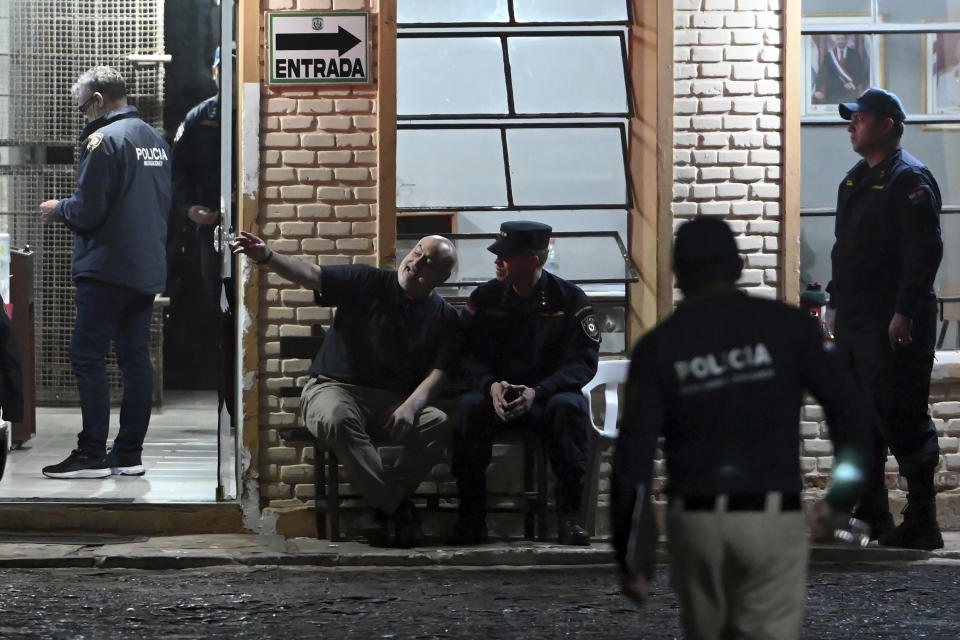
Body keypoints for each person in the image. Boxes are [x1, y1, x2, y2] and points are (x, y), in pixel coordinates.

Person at [611, 217, 871, 640]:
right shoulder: (789, 328)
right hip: (771, 520)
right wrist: (839, 500)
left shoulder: (659, 347)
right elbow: (852, 417)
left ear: (677, 273)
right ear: (739, 265)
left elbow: (632, 462)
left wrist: (633, 559)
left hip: (695, 525)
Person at [232, 231, 458, 547]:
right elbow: (312, 274)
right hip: (332, 389)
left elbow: (439, 372)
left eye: (429, 261)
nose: (416, 262)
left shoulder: (445, 316)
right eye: (417, 252)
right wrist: (268, 257)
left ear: (443, 276)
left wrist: (411, 406)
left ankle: (382, 508)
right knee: (337, 417)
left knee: (437, 422)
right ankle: (398, 508)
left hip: (391, 402)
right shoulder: (368, 280)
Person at [827, 87, 945, 550]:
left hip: (894, 321)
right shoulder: (855, 180)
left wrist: (905, 312)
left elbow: (925, 251)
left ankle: (921, 522)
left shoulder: (909, 179)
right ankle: (873, 515)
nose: (850, 125)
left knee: (902, 415)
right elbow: (844, 250)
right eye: (850, 119)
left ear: (887, 125)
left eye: (859, 118)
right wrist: (835, 303)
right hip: (856, 321)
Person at [39, 66, 171, 479]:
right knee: (135, 360)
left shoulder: (104, 140)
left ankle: (91, 453)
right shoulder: (156, 140)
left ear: (97, 100)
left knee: (86, 355)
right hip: (146, 265)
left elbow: (89, 209)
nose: (83, 117)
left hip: (107, 267)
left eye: (82, 108)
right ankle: (128, 453)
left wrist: (57, 208)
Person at [451, 221, 599, 545]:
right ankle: (471, 517)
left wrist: (540, 391)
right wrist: (490, 385)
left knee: (571, 408)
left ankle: (569, 518)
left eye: (506, 256)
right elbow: (464, 354)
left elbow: (583, 361)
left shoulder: (569, 299)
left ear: (533, 260)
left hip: (546, 397)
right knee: (467, 409)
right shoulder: (486, 297)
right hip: (496, 397)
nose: (497, 262)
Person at [170, 45, 236, 417]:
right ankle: (230, 406)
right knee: (221, 313)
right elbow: (178, 173)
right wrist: (188, 210)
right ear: (214, 72)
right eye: (223, 69)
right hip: (211, 233)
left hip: (251, 232)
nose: (228, 75)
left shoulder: (259, 110)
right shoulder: (200, 117)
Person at [813, 34, 868, 104]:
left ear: (846, 40)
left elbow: (860, 73)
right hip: (832, 94)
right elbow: (822, 73)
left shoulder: (854, 54)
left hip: (850, 94)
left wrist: (852, 84)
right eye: (838, 39)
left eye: (842, 39)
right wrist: (818, 89)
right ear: (835, 41)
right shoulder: (829, 55)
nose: (841, 41)